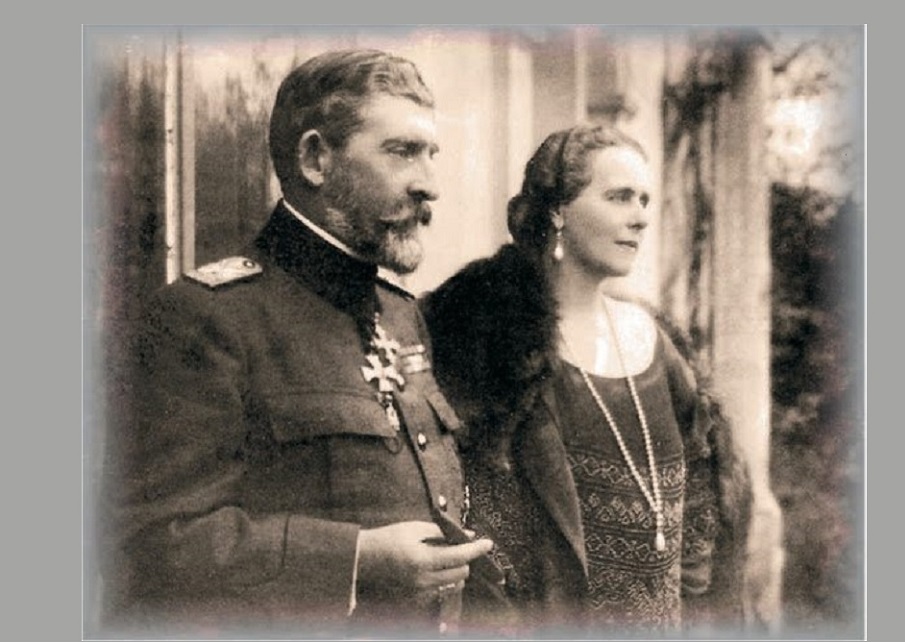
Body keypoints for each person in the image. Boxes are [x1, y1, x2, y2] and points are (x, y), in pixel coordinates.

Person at [98, 49, 499, 637]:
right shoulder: (205, 318)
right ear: (315, 159)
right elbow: (152, 542)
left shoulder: (400, 313)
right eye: (402, 152)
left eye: (430, 154)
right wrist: (354, 562)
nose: (429, 185)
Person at [422, 124, 753, 636]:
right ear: (558, 211)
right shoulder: (493, 347)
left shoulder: (654, 339)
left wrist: (691, 598)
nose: (640, 217)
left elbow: (705, 483)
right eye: (619, 197)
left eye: (644, 200)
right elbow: (485, 526)